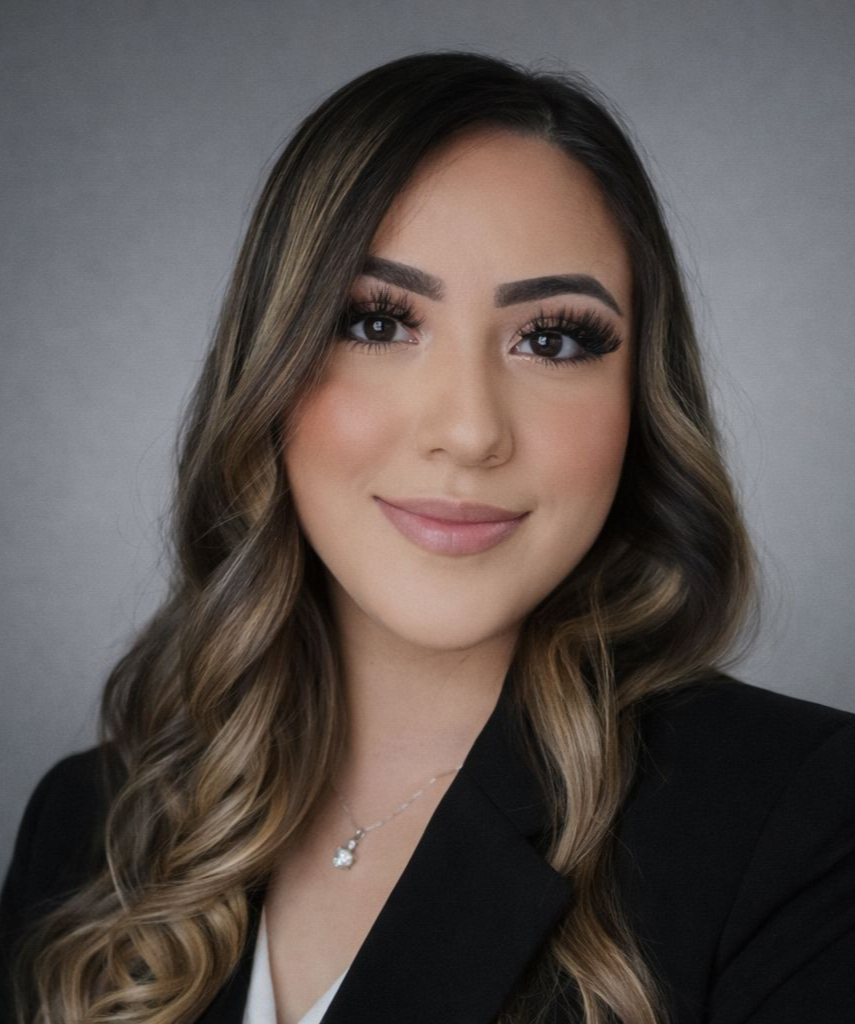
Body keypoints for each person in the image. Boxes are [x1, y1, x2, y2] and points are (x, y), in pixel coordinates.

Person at [1, 49, 854, 1024]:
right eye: (377, 320)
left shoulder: (800, 820)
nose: (470, 429)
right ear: (270, 372)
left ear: (639, 403)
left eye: (555, 337)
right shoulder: (90, 826)